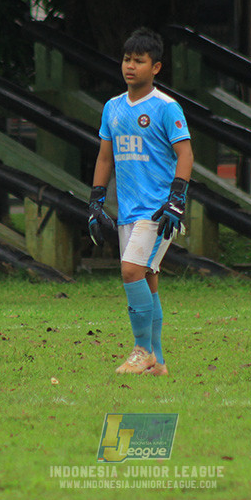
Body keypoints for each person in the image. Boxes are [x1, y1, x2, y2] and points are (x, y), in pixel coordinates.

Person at [87, 27, 193, 377]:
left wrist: (176, 200)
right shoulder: (113, 108)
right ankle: (157, 363)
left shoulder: (166, 107)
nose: (130, 66)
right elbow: (105, 158)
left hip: (158, 210)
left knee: (131, 271)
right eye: (126, 60)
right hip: (128, 211)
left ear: (156, 67)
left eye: (139, 61)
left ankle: (141, 350)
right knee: (147, 280)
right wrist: (96, 201)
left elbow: (186, 154)